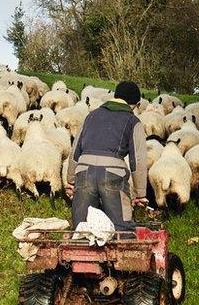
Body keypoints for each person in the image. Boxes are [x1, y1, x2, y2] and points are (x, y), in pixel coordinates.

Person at [64, 81, 149, 232]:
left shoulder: (91, 116)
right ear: (134, 104)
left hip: (84, 173)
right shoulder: (132, 121)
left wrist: (70, 181)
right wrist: (141, 193)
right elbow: (138, 159)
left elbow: (75, 150)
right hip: (113, 175)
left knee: (82, 228)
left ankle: (78, 252)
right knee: (121, 228)